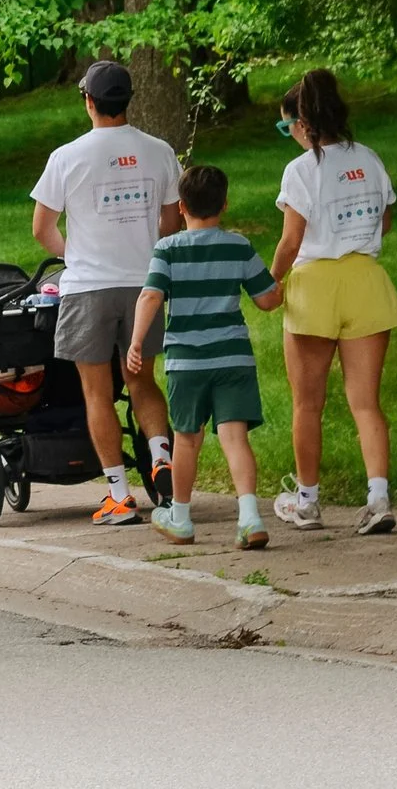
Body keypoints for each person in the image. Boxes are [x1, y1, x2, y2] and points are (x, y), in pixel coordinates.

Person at [30, 59, 181, 526]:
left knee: (97, 392)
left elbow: (42, 228)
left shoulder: (68, 156)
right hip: (145, 287)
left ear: (89, 101)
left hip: (89, 288)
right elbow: (172, 222)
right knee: (142, 380)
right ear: (127, 100)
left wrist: (74, 255)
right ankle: (162, 460)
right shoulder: (160, 151)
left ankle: (119, 494)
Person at [271, 69, 397, 536]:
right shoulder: (368, 158)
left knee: (308, 403)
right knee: (366, 402)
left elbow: (291, 241)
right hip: (367, 282)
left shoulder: (301, 170)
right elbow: (385, 223)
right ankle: (378, 498)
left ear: (303, 124)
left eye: (286, 126)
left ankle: (307, 501)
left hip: (315, 287)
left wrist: (271, 283)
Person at [130, 164, 283, 549]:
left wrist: (135, 343)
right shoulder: (239, 246)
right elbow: (267, 300)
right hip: (233, 359)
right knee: (235, 439)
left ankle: (180, 517)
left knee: (186, 440)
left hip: (187, 362)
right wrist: (280, 281)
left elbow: (151, 296)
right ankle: (249, 518)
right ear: (225, 204)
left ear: (181, 207)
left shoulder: (167, 249)